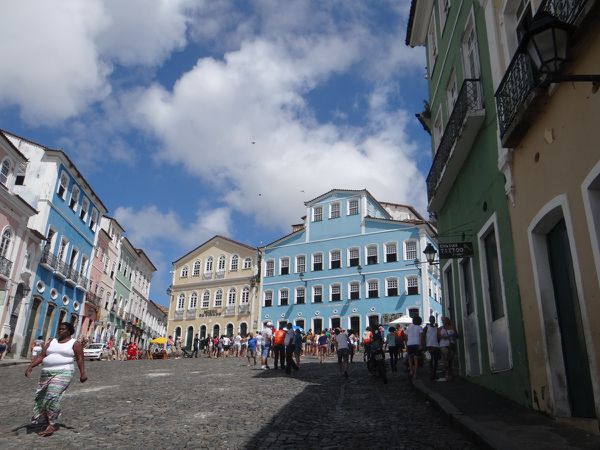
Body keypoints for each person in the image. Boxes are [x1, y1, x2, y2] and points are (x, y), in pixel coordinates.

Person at [25, 322, 87, 437]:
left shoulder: (75, 343)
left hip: (64, 372)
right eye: (59, 329)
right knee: (41, 398)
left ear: (69, 331)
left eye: (63, 329)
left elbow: (79, 358)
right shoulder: (51, 342)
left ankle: (51, 425)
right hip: (46, 372)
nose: (60, 331)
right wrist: (30, 366)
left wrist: (82, 373)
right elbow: (42, 356)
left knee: (52, 396)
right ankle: (47, 419)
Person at [438, 317, 459, 381]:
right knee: (446, 358)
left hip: (451, 345)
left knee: (450, 360)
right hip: (443, 345)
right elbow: (438, 337)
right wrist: (444, 337)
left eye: (445, 320)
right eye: (443, 321)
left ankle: (450, 373)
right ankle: (447, 374)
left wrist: (453, 335)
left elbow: (457, 336)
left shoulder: (452, 327)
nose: (444, 321)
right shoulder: (440, 328)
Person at [405, 316, 423, 380]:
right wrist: (421, 345)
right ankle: (415, 374)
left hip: (409, 344)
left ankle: (411, 371)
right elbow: (421, 337)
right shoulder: (420, 327)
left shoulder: (408, 327)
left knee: (410, 358)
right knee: (416, 359)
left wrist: (406, 346)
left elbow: (406, 337)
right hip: (416, 344)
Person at [423, 316, 440, 380]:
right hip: (429, 346)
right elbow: (423, 337)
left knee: (435, 361)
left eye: (433, 319)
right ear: (429, 320)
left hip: (436, 346)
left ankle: (434, 374)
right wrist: (424, 346)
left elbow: (438, 336)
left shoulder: (436, 327)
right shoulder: (426, 327)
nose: (432, 320)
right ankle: (432, 374)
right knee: (430, 361)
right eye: (431, 319)